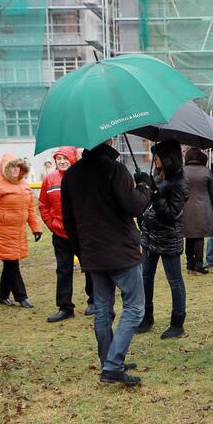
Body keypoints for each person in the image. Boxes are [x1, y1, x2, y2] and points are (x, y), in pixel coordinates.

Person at [61, 138, 152, 385]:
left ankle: (109, 360)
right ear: (110, 139)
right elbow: (134, 207)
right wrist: (145, 187)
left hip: (93, 253)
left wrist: (81, 251)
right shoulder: (114, 168)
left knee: (102, 309)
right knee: (134, 308)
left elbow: (68, 221)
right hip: (121, 251)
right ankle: (112, 365)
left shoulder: (71, 175)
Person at [138, 139, 190, 338]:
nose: (156, 159)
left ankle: (177, 324)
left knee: (175, 281)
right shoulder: (157, 177)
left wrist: (157, 196)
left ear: (170, 158)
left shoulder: (180, 184)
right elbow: (148, 206)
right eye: (156, 155)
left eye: (160, 155)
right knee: (145, 279)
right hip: (150, 238)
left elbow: (170, 214)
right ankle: (146, 318)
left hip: (169, 238)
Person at [40, 147, 95, 323]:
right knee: (63, 270)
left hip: (81, 232)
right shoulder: (49, 179)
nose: (62, 161)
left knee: (89, 267)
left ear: (72, 159)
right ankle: (65, 307)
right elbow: (43, 204)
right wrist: (51, 224)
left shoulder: (82, 177)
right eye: (58, 158)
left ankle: (94, 301)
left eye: (65, 158)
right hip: (60, 233)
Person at [0, 154, 42, 308]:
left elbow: (30, 208)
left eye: (18, 167)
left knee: (10, 263)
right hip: (2, 231)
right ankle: (21, 296)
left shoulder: (24, 184)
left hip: (18, 232)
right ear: (5, 168)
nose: (15, 170)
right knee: (12, 263)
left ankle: (2, 295)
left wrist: (36, 227)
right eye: (12, 167)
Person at [183, 147, 213, 275]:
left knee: (188, 237)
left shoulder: (182, 171)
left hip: (186, 208)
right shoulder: (206, 171)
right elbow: (212, 190)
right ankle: (199, 265)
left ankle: (189, 265)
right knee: (199, 238)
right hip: (202, 207)